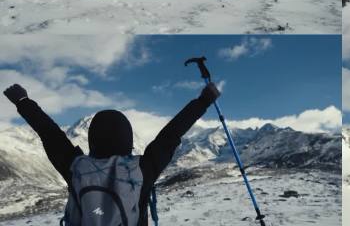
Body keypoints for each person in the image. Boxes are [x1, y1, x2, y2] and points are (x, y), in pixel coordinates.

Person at [3, 82, 220, 225]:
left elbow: (50, 134)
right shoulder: (142, 169)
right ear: (128, 139)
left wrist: (23, 102)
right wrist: (203, 102)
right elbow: (171, 135)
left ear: (92, 139)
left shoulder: (76, 167)